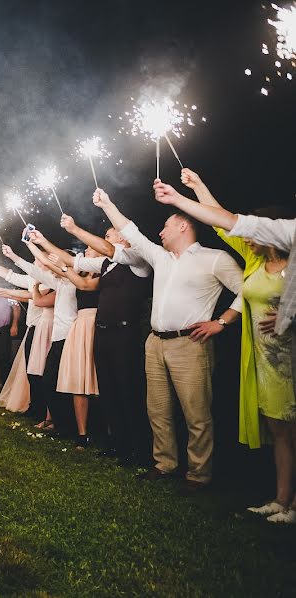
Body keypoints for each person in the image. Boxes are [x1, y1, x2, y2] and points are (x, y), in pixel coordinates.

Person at [154, 174, 296, 521]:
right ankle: (281, 500)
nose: (247, 237)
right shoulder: (255, 259)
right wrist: (193, 189)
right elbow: (224, 221)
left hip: (291, 355)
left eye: (255, 233)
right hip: (264, 358)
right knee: (280, 431)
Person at [93, 187, 244, 491]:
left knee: (196, 413)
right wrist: (107, 204)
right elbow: (131, 233)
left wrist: (221, 322)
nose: (160, 232)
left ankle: (199, 475)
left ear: (183, 225)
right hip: (155, 342)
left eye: (165, 226)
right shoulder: (160, 258)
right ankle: (164, 464)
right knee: (158, 409)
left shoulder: (214, 259)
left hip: (190, 344)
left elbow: (247, 290)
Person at [54, 214, 152, 462]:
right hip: (103, 331)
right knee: (109, 391)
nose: (104, 239)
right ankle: (118, 444)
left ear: (122, 237)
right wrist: (40, 241)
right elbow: (73, 262)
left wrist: (75, 228)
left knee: (127, 390)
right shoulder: (107, 265)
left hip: (124, 332)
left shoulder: (138, 259)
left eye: (108, 234)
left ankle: (138, 449)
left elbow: (105, 248)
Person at [27, 232, 101, 449]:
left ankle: (76, 428)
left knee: (74, 382)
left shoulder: (84, 278)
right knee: (54, 380)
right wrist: (30, 243)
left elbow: (62, 270)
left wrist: (61, 264)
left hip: (78, 331)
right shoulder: (66, 280)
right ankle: (63, 424)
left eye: (89, 249)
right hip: (66, 334)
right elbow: (38, 267)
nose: (86, 251)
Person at [3, 241, 78, 434]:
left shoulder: (74, 282)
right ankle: (52, 420)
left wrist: (34, 286)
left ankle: (61, 423)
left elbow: (38, 298)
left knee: (55, 379)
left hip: (69, 334)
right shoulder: (59, 282)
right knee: (47, 378)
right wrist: (15, 254)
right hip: (56, 334)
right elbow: (34, 271)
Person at [0, 252, 55, 421]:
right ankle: (34, 406)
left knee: (42, 371)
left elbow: (32, 297)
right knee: (31, 369)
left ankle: (44, 410)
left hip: (46, 329)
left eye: (37, 259)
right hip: (32, 328)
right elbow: (9, 274)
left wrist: (5, 292)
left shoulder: (51, 279)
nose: (35, 261)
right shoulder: (31, 279)